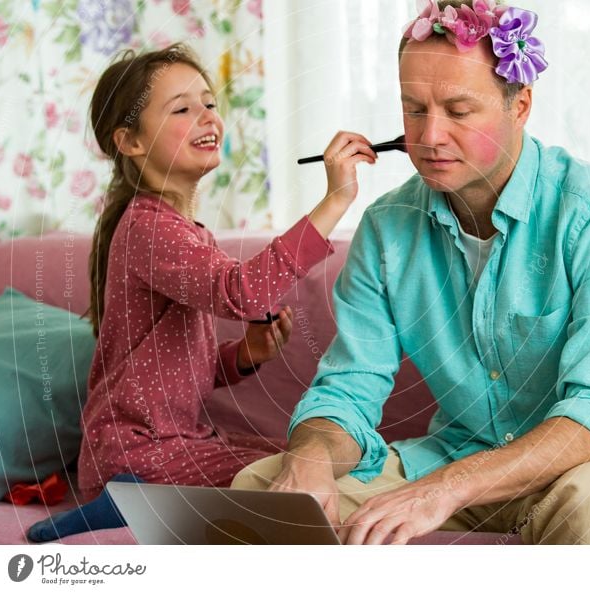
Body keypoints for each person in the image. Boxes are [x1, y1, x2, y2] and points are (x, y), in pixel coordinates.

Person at [231, 1, 590, 545]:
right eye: (413, 109)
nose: (429, 137)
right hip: (461, 460)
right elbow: (348, 391)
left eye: (458, 109)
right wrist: (309, 456)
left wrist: (447, 488)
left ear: (519, 105)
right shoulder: (385, 229)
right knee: (262, 487)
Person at [26, 43, 377, 542]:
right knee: (292, 479)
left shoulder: (181, 231)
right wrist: (337, 199)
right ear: (129, 141)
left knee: (292, 460)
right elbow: (246, 293)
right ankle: (121, 502)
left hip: (158, 446)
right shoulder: (150, 229)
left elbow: (172, 369)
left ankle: (126, 500)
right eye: (182, 108)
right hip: (139, 452)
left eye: (210, 103)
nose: (206, 115)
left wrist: (245, 355)